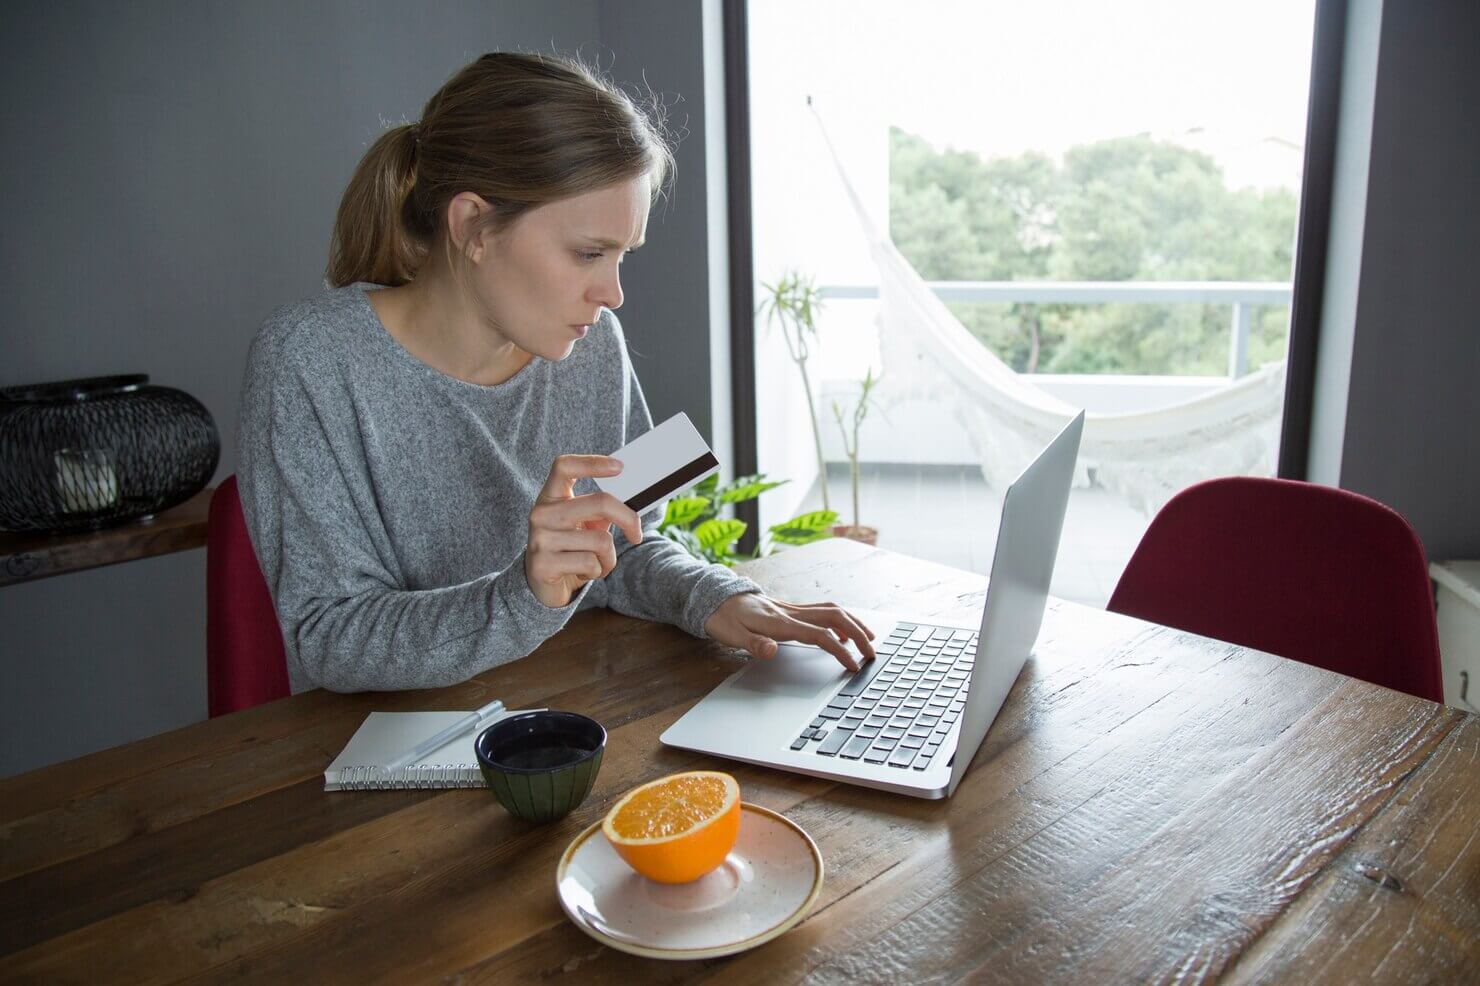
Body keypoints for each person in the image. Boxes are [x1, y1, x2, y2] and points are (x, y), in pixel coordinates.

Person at [237, 51, 874, 693]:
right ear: (472, 226)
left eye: (623, 255)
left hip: (575, 709)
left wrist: (719, 599)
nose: (614, 293)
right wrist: (522, 595)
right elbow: (331, 639)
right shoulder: (309, 360)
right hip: (397, 755)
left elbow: (629, 545)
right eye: (588, 254)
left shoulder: (596, 345)